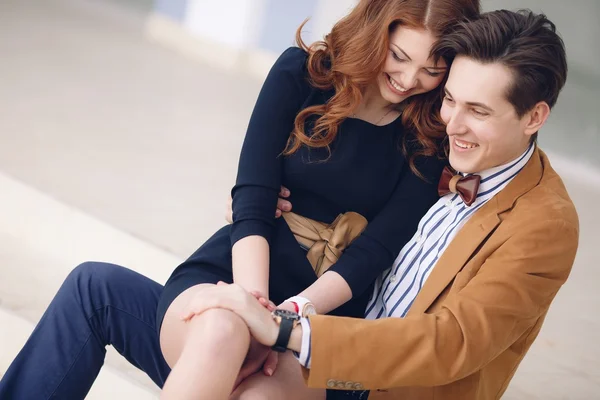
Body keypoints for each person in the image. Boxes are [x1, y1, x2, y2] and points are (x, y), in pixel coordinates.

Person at [0, 0, 481, 399]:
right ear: (377, 28)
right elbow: (253, 199)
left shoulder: (428, 140)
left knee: (257, 392)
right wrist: (253, 308)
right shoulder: (301, 74)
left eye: (431, 70)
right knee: (221, 329)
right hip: (230, 276)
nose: (408, 78)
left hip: (319, 321)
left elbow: (371, 255)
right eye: (399, 56)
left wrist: (280, 322)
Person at [181, 9, 579, 400]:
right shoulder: (447, 149)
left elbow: (450, 342)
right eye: (451, 100)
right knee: (202, 336)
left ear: (534, 117)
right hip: (328, 340)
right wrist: (266, 203)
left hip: (378, 380)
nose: (453, 125)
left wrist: (285, 330)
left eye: (478, 111)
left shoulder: (543, 224)